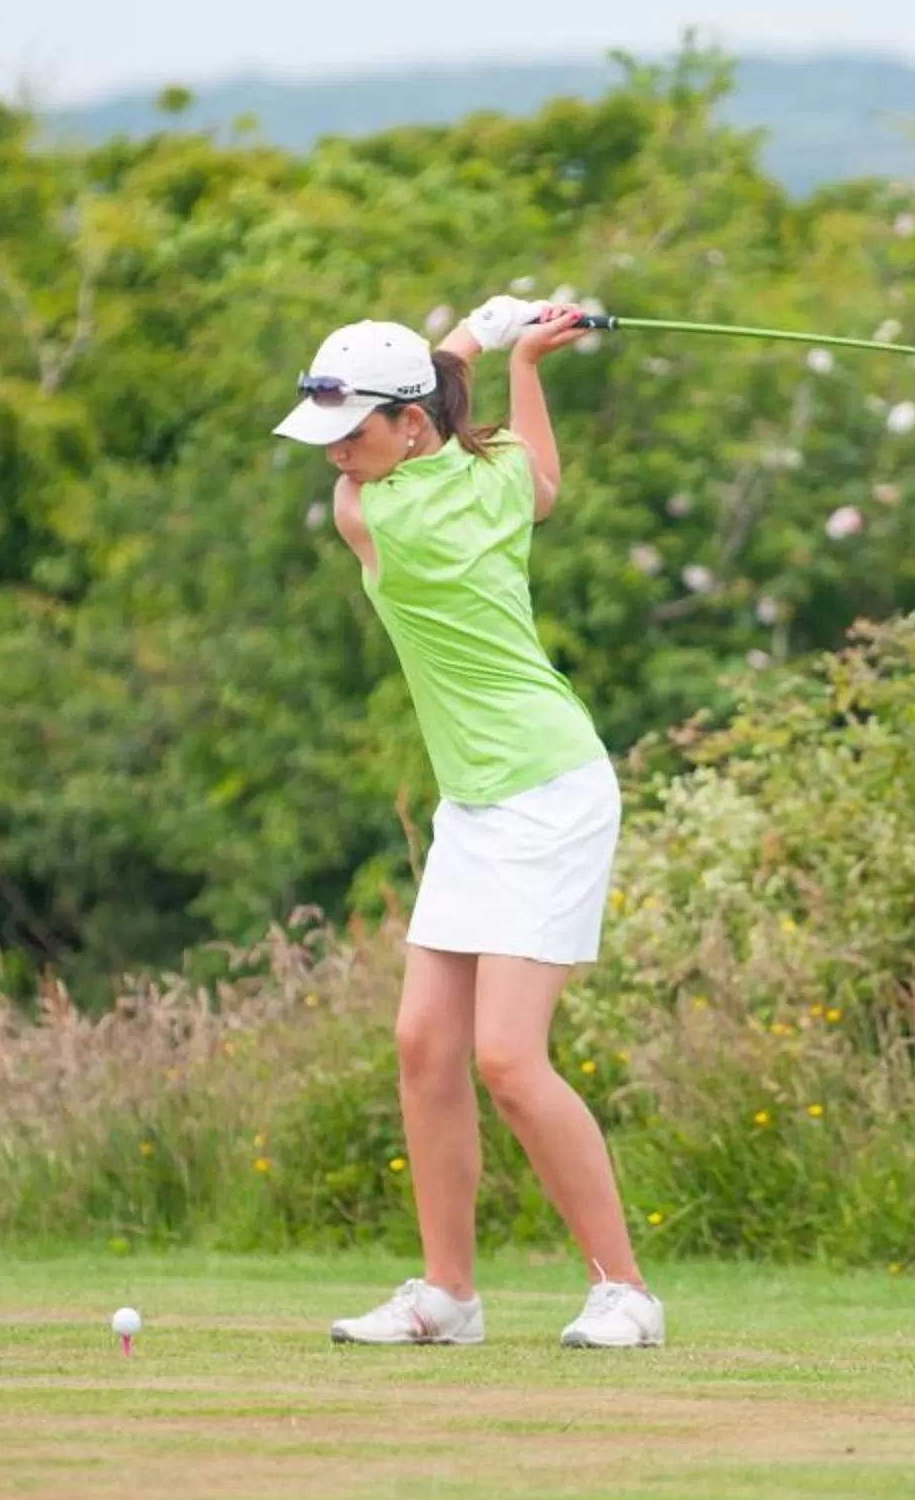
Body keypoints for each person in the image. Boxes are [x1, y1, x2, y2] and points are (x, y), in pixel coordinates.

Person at [271, 294, 664, 1350]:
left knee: (507, 1059)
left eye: (350, 433)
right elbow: (543, 482)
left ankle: (625, 1292)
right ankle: (447, 1296)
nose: (334, 457)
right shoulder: (492, 480)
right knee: (422, 1045)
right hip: (479, 802)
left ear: (408, 423)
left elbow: (441, 402)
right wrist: (520, 359)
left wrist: (482, 337)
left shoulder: (375, 516)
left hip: (551, 792)